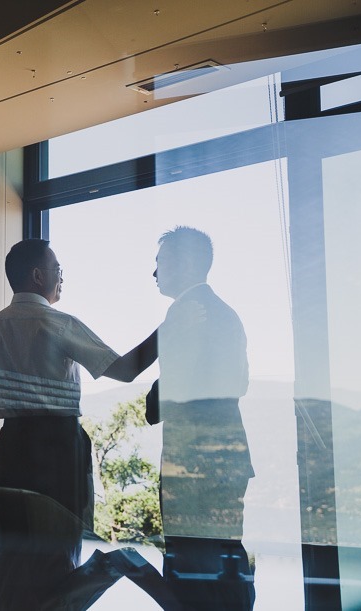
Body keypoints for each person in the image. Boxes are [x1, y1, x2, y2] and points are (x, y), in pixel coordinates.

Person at [0, 239, 170, 610]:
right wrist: (167, 331)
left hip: (12, 446)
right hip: (59, 448)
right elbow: (125, 371)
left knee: (20, 552)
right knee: (62, 547)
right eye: (58, 269)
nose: (62, 277)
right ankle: (112, 566)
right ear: (38, 275)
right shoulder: (59, 324)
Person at [144, 226, 255, 610]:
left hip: (192, 464)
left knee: (191, 569)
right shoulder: (228, 314)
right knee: (225, 562)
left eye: (160, 262)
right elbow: (239, 382)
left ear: (185, 263)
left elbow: (160, 402)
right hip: (228, 458)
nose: (154, 273)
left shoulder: (185, 315)